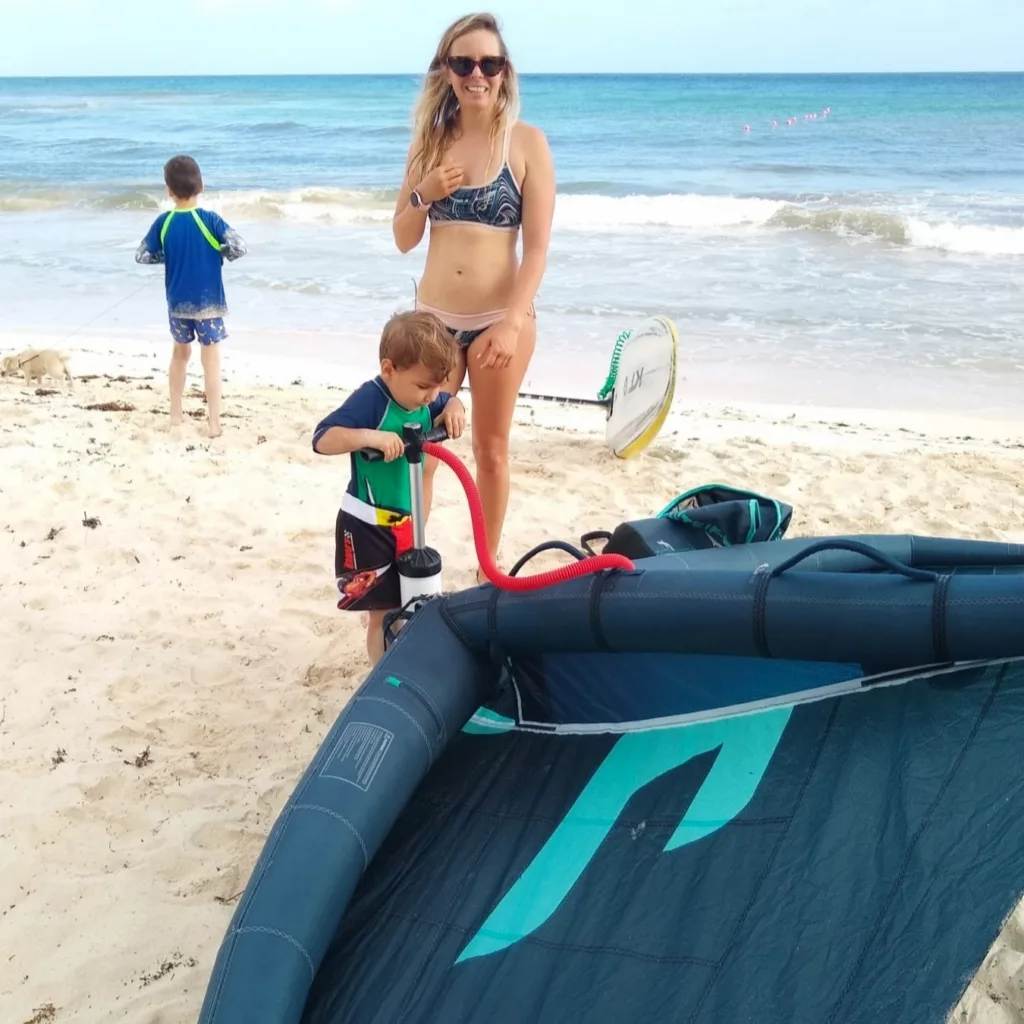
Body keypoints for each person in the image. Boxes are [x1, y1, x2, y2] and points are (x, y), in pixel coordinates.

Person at [392, 12, 556, 581]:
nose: (476, 74)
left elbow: (537, 250)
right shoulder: (430, 143)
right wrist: (423, 192)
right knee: (421, 449)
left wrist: (511, 323)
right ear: (447, 71)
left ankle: (488, 570)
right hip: (433, 323)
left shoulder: (527, 143)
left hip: (498, 320)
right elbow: (403, 238)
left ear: (505, 71)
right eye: (463, 63)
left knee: (490, 448)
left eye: (489, 63)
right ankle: (413, 569)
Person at [311, 310, 466, 665]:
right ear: (389, 369)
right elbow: (322, 438)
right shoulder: (372, 400)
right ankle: (381, 673)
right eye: (423, 387)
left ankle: (406, 661)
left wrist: (455, 406)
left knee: (411, 601)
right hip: (368, 527)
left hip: (408, 526)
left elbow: (448, 400)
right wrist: (370, 437)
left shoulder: (427, 395)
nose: (431, 396)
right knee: (382, 612)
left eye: (438, 385)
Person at [135, 154, 247, 438]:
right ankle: (214, 424)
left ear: (169, 191)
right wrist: (219, 252)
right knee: (211, 361)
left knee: (180, 354)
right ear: (202, 186)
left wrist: (169, 256)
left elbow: (142, 256)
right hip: (209, 304)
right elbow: (239, 247)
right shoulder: (210, 219)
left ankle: (175, 416)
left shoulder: (164, 221)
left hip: (177, 303)